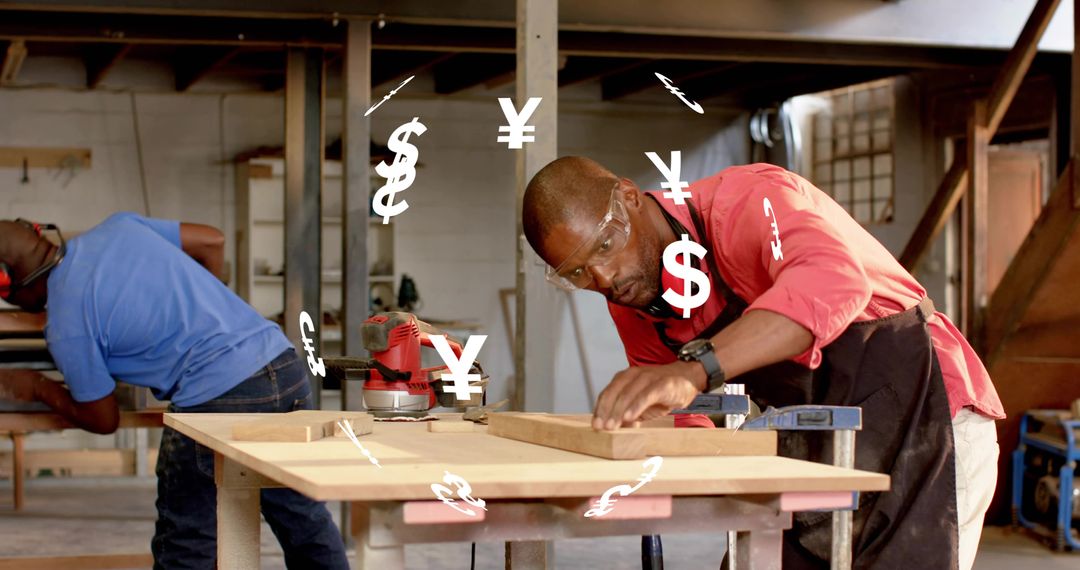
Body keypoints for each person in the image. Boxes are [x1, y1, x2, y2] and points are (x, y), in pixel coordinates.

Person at [522, 157, 1004, 570]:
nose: (604, 278)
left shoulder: (748, 201)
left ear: (630, 196)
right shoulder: (638, 303)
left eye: (605, 246)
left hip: (928, 416)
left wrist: (694, 370)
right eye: (578, 272)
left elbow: (834, 283)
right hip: (818, 445)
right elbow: (684, 418)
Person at [0, 213, 349, 570]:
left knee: (187, 544)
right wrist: (206, 311)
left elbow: (103, 419)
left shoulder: (66, 321)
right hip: (281, 366)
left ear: (8, 281)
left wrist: (37, 386)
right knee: (302, 519)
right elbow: (211, 239)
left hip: (215, 398)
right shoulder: (119, 227)